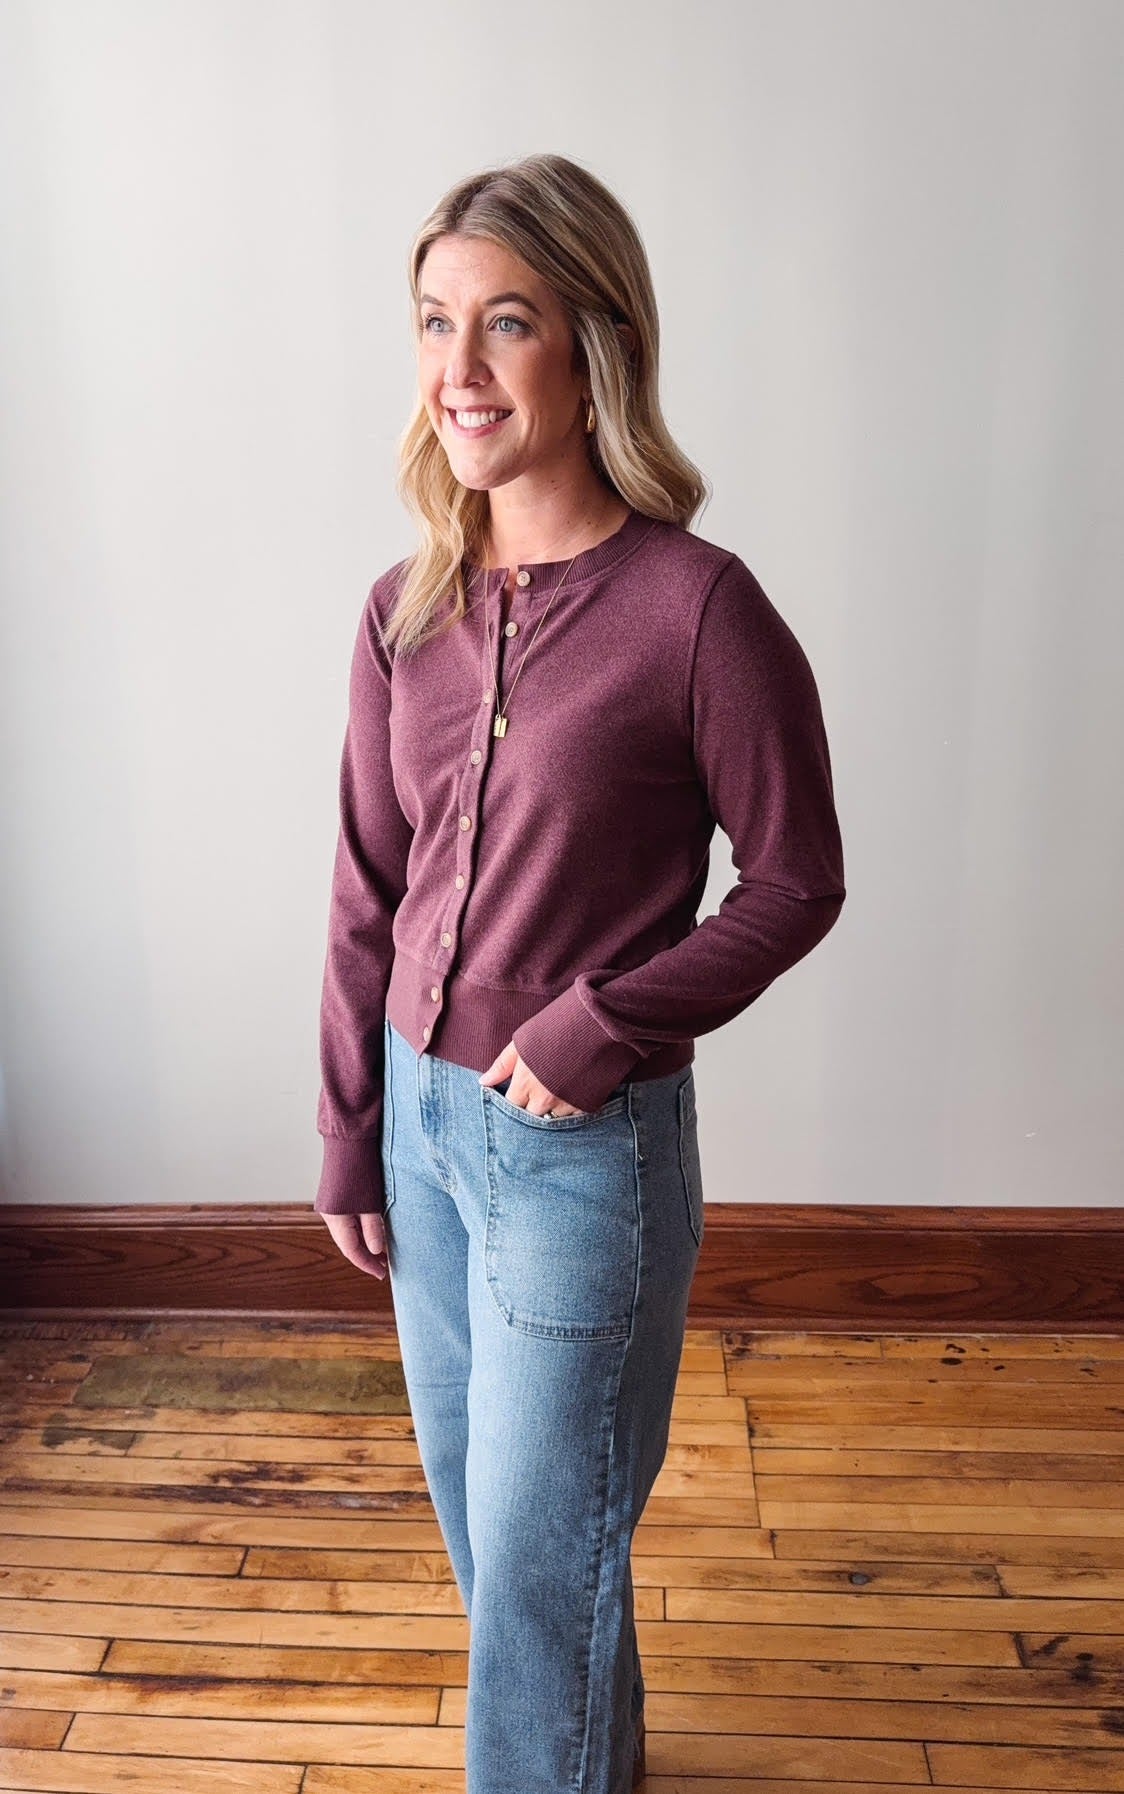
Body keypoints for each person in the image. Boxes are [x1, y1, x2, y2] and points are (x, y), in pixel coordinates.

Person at [313, 153, 846, 1794]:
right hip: (421, 1132)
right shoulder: (404, 608)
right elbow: (367, 885)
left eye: (507, 322)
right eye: (435, 321)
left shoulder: (698, 609)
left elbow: (800, 881)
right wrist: (348, 1127)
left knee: (545, 1567)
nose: (458, 367)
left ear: (595, 342)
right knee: (504, 1553)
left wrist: (606, 1019)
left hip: (579, 1158)